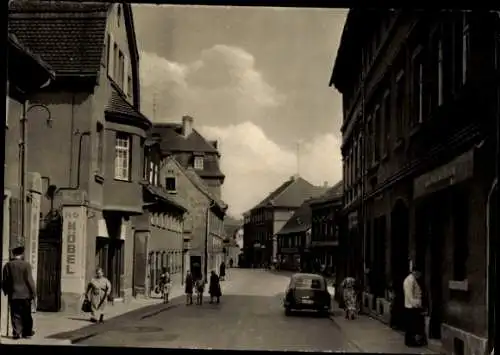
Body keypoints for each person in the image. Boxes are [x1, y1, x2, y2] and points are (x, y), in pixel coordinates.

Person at [1, 246, 36, 339]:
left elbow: (5, 280)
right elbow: (30, 280)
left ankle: (16, 333)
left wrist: (6, 291)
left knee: (15, 314)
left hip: (14, 294)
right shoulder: (26, 265)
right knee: (26, 313)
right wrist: (34, 293)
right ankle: (27, 332)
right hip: (25, 294)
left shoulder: (8, 265)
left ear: (13, 254)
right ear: (22, 254)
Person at [403, 268, 425, 347]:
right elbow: (410, 295)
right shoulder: (410, 280)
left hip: (411, 306)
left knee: (411, 326)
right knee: (411, 326)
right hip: (411, 307)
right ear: (415, 272)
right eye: (419, 274)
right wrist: (416, 305)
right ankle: (410, 342)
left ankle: (410, 341)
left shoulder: (412, 279)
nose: (420, 276)